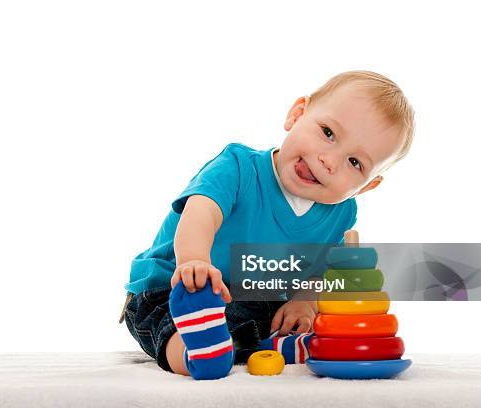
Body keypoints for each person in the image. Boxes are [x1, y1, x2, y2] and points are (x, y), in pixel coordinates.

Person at [122, 70, 415, 380]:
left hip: (249, 299)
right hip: (172, 287)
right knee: (168, 325)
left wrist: (304, 301)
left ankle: (272, 345)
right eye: (328, 132)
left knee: (275, 315)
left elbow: (323, 272)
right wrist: (194, 262)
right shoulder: (237, 167)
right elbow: (200, 214)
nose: (329, 160)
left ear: (367, 186)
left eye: (355, 163)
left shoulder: (341, 214)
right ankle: (193, 353)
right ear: (297, 114)